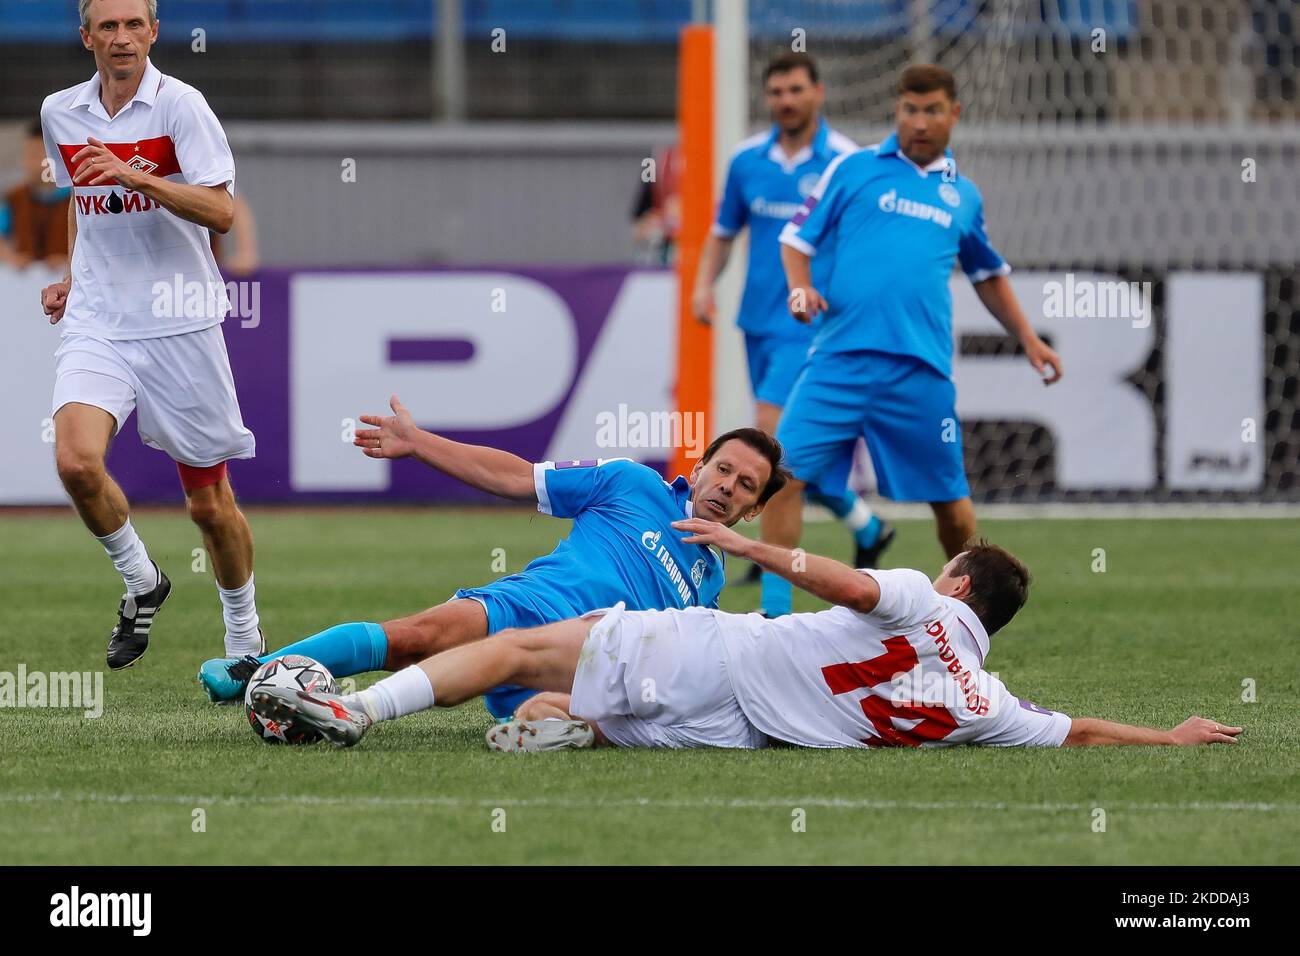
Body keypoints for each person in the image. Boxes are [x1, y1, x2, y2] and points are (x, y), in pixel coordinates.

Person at [250, 528, 1242, 753]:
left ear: (956, 582)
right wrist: (1170, 737)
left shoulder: (916, 595)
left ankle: (353, 707)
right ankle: (571, 724)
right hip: (736, 732)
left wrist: (745, 541)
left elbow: (845, 580)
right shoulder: (983, 701)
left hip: (720, 651)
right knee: (577, 696)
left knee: (521, 650)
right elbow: (1073, 731)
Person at [199, 395, 788, 720]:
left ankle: (542, 721)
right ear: (700, 466)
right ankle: (253, 673)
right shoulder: (631, 483)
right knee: (418, 635)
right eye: (724, 469)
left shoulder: (710, 584)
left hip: (586, 661)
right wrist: (419, 443)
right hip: (529, 603)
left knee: (563, 709)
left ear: (753, 510)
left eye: (745, 486)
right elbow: (516, 478)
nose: (728, 486)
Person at [39, 0, 261, 669]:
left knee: (208, 506)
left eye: (134, 25)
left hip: (180, 321)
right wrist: (76, 277)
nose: (122, 37)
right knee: (76, 462)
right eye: (108, 26)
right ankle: (142, 579)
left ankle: (246, 638)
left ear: (155, 33)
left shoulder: (182, 106)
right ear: (87, 38)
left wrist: (139, 175)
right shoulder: (60, 112)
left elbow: (221, 209)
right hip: (100, 321)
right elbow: (84, 198)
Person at [769, 64, 1064, 566]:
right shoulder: (853, 168)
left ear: (954, 113)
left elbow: (987, 273)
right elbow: (796, 239)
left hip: (918, 371)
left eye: (931, 111)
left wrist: (1028, 338)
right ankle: (774, 614)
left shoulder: (963, 196)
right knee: (778, 479)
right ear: (897, 110)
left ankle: (962, 610)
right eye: (910, 110)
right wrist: (801, 290)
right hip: (838, 360)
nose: (920, 122)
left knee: (952, 508)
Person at [693, 52, 892, 612]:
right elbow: (723, 231)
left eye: (796, 90)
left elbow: (867, 245)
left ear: (818, 93)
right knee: (793, 460)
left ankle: (776, 605)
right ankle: (868, 525)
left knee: (767, 447)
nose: (786, 100)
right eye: (777, 91)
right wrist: (703, 286)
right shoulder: (746, 160)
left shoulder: (848, 161)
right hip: (757, 323)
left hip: (810, 329)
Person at [0, 120, 73, 272]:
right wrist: (10, 257)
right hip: (23, 288)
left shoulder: (76, 197)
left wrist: (71, 259)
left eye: (36, 155)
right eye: (26, 155)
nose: (27, 162)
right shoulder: (15, 198)